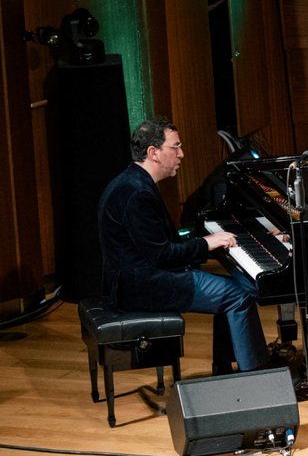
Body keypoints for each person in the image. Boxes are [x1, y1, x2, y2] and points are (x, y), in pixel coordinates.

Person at [98, 116, 271, 372]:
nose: (181, 154)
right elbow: (163, 254)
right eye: (175, 147)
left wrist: (212, 240)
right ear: (153, 152)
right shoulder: (137, 193)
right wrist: (206, 243)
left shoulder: (133, 182)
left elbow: (161, 242)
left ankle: (225, 370)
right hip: (143, 286)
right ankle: (258, 377)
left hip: (140, 277)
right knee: (238, 297)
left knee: (231, 292)